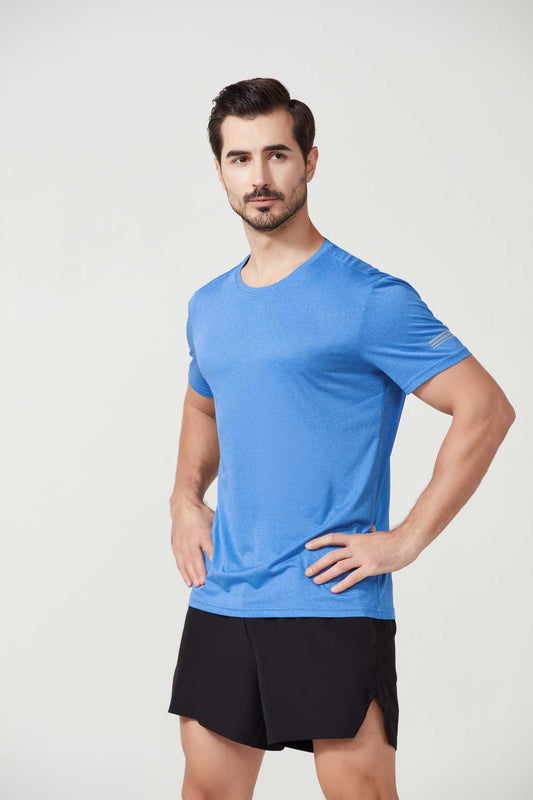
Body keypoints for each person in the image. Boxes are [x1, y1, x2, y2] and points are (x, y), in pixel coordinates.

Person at [167, 77, 515, 800]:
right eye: (240, 159)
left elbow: (484, 408)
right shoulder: (210, 305)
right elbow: (204, 405)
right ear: (220, 170)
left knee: (360, 793)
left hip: (329, 596)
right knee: (207, 790)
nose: (259, 177)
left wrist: (406, 539)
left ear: (310, 161)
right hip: (224, 595)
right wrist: (185, 498)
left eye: (277, 154)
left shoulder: (369, 299)